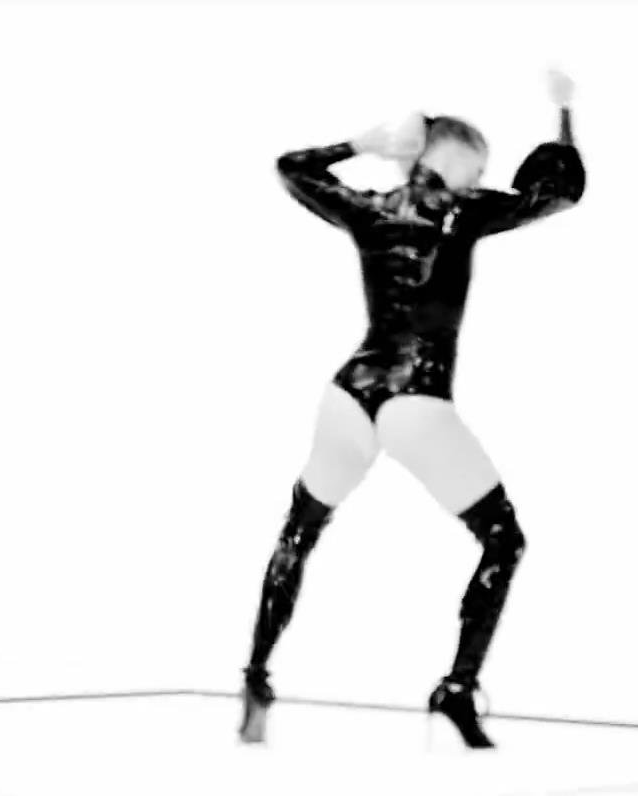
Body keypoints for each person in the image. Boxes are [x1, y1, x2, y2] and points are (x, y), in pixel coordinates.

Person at [238, 69, 586, 750]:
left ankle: (255, 677)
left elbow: (291, 168)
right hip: (414, 401)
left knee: (299, 532)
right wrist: (565, 114)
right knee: (503, 541)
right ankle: (456, 687)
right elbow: (559, 192)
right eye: (476, 167)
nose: (478, 179)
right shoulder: (463, 210)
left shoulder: (370, 209)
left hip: (349, 394)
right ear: (454, 157)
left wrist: (358, 144)